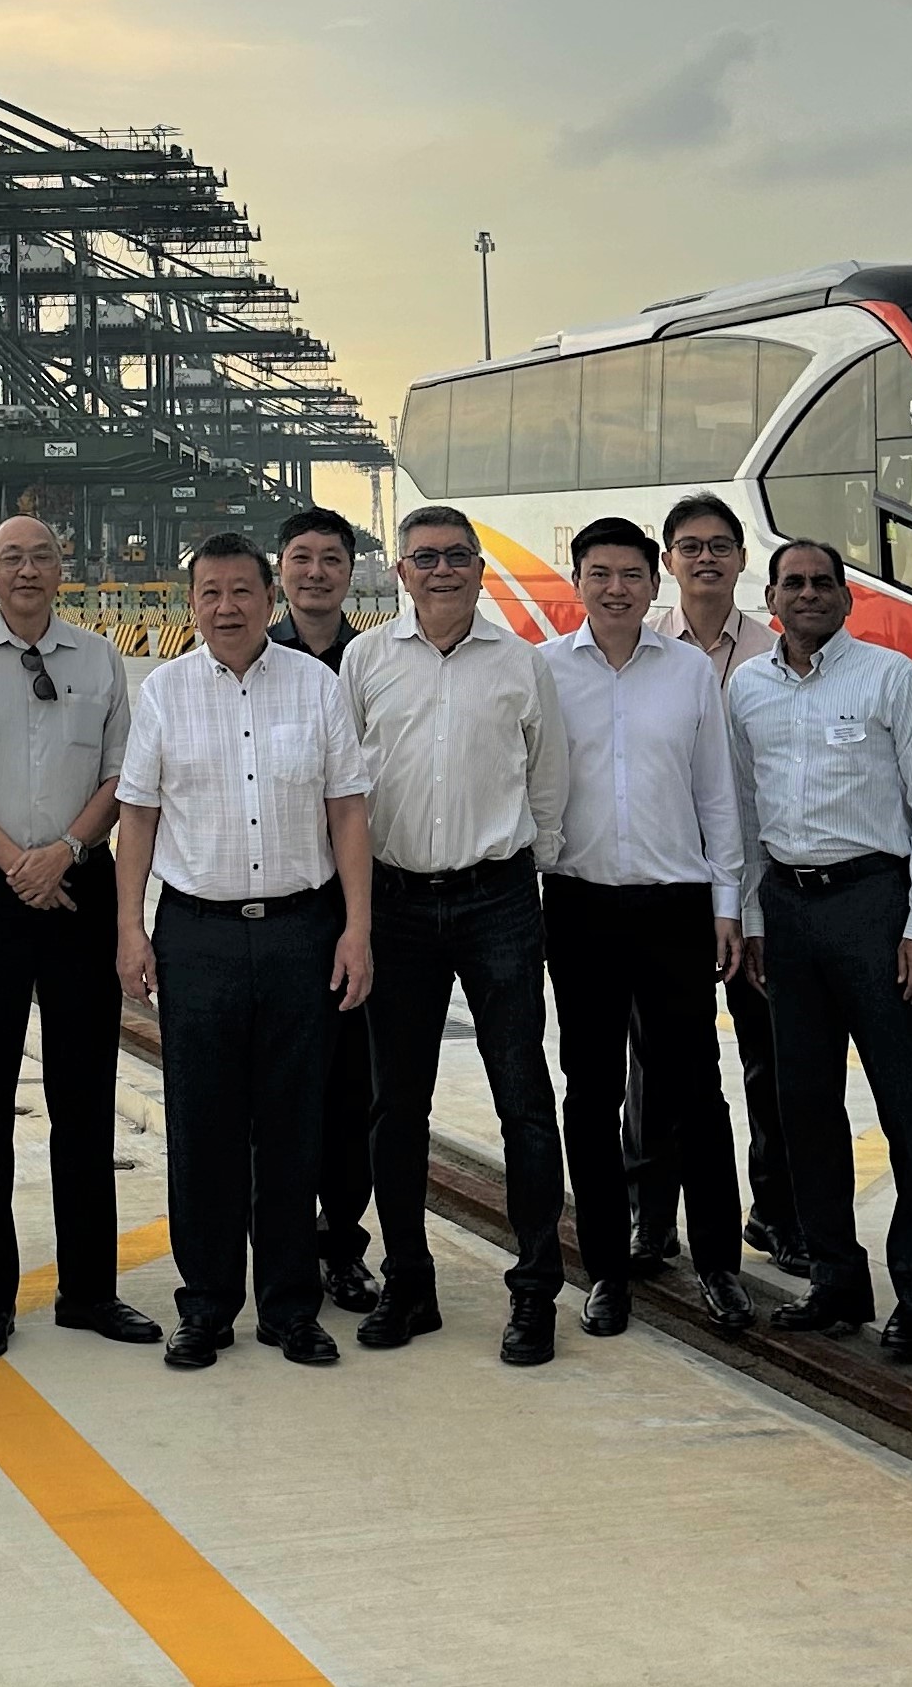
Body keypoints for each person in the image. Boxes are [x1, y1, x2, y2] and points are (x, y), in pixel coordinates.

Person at [117, 532, 376, 1371]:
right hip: (199, 934)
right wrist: (130, 928)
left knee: (295, 1123)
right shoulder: (164, 692)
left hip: (303, 928)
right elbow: (138, 816)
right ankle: (206, 1305)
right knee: (203, 1125)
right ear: (190, 603)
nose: (226, 607)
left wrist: (357, 927)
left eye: (241, 591)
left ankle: (290, 1307)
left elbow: (347, 811)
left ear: (270, 599)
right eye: (210, 592)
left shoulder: (316, 686)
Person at [0, 515, 155, 1360]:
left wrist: (64, 851)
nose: (27, 569)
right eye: (10, 557)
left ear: (63, 568)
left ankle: (89, 1289)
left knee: (83, 1095)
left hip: (78, 884)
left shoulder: (99, 659)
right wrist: (18, 863)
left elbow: (123, 774)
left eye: (41, 556)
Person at [728, 541, 912, 1361]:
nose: (808, 594)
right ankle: (835, 1279)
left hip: (873, 905)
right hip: (787, 912)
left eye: (822, 582)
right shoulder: (746, 687)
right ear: (770, 598)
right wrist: (752, 919)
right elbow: (743, 812)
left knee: (908, 1110)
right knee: (805, 1109)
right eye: (792, 583)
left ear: (845, 597)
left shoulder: (889, 677)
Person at [344, 506, 569, 1362]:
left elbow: (547, 780)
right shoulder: (366, 661)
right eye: (424, 557)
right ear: (400, 572)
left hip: (496, 900)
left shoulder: (520, 663)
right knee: (396, 1104)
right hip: (395, 902)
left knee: (522, 1097)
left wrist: (525, 870)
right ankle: (409, 1283)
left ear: (479, 569)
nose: (441, 570)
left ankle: (535, 1289)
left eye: (457, 557)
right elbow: (343, 785)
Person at [542, 517, 757, 1342]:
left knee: (695, 1089)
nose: (615, 588)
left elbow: (716, 796)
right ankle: (604, 1267)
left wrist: (726, 906)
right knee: (590, 1092)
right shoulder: (544, 670)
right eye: (599, 574)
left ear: (652, 582)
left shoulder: (688, 673)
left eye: (630, 574)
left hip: (675, 904)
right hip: (580, 902)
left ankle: (718, 1265)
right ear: (577, 581)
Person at [632, 490, 804, 1280]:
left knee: (771, 1054)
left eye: (719, 545)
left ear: (741, 559)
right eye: (690, 546)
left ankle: (777, 1211)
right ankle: (650, 1214)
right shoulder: (639, 650)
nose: (705, 557)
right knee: (657, 1060)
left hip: (760, 884)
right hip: (666, 881)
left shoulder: (777, 652)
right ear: (668, 561)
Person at [273, 505, 379, 1315]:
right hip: (278, 902)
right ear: (280, 569)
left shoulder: (374, 661)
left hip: (359, 903)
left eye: (330, 559)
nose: (315, 572)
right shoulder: (252, 655)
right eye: (301, 557)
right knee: (272, 1091)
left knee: (351, 1088)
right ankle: (277, 1249)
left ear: (350, 571)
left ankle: (343, 1245)